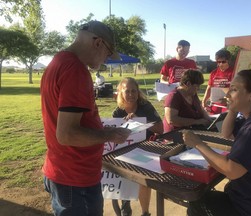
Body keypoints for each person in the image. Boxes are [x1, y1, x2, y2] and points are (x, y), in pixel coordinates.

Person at [40, 20, 131, 216]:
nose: (107, 60)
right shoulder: (75, 70)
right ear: (98, 43)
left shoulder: (58, 62)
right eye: (108, 53)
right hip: (75, 177)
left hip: (63, 170)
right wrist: (110, 134)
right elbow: (67, 134)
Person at [182, 69, 251, 216]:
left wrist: (197, 144)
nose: (227, 94)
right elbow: (226, 133)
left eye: (234, 89)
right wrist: (232, 109)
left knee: (198, 203)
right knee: (226, 190)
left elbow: (231, 171)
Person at [112, 77, 163, 216]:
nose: (130, 94)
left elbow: (161, 129)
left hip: (145, 149)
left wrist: (140, 121)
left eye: (133, 91)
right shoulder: (118, 112)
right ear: (120, 93)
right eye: (127, 91)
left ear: (138, 92)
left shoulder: (145, 106)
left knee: (143, 179)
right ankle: (125, 203)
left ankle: (145, 212)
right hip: (124, 150)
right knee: (119, 172)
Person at [202, 49, 234, 114]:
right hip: (215, 104)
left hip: (229, 105)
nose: (220, 64)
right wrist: (204, 101)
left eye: (223, 62)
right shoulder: (213, 73)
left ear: (228, 61)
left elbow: (238, 90)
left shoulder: (234, 72)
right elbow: (209, 88)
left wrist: (227, 99)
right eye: (218, 62)